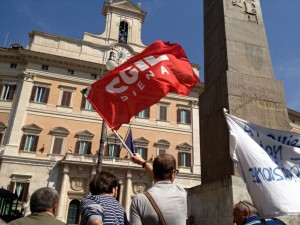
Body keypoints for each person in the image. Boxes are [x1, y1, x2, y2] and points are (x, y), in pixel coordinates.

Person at [130, 153, 187, 225]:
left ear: (154, 172)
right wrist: (143, 162)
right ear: (173, 173)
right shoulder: (181, 192)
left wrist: (142, 162)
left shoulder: (139, 200)